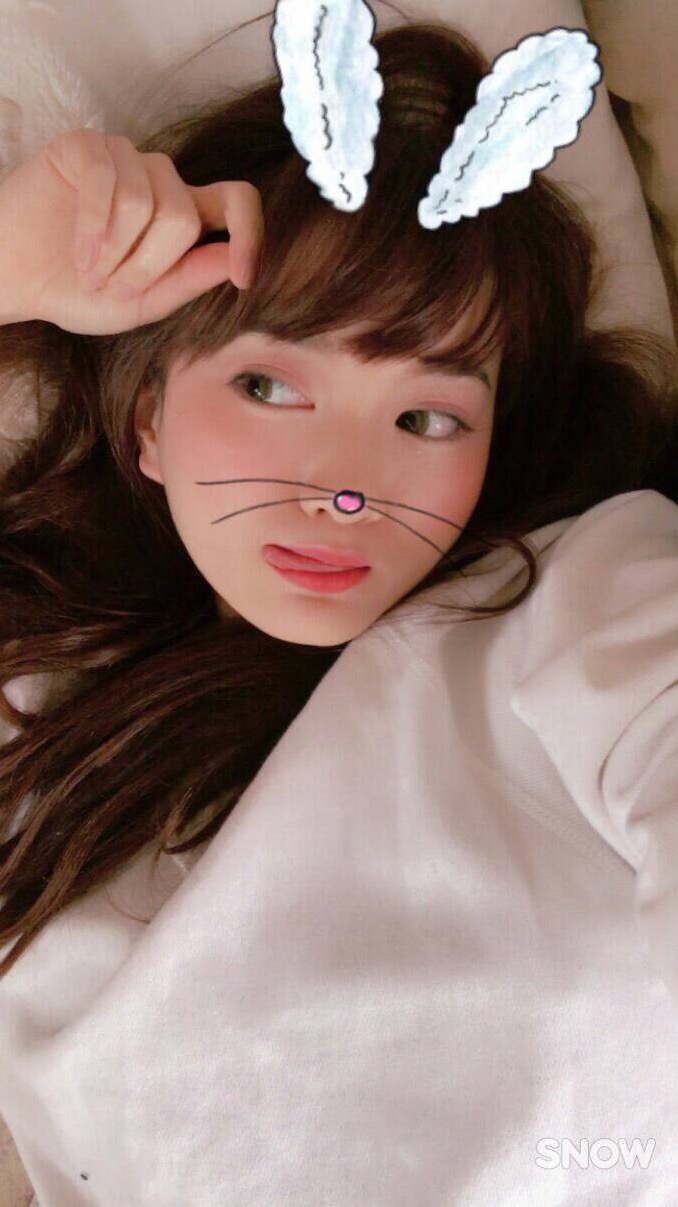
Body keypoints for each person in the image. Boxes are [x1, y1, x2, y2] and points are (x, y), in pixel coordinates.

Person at [0, 10, 677, 1204]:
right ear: (149, 418)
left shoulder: (569, 599)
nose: (342, 488)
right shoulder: (40, 705)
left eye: (427, 416)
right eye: (270, 385)